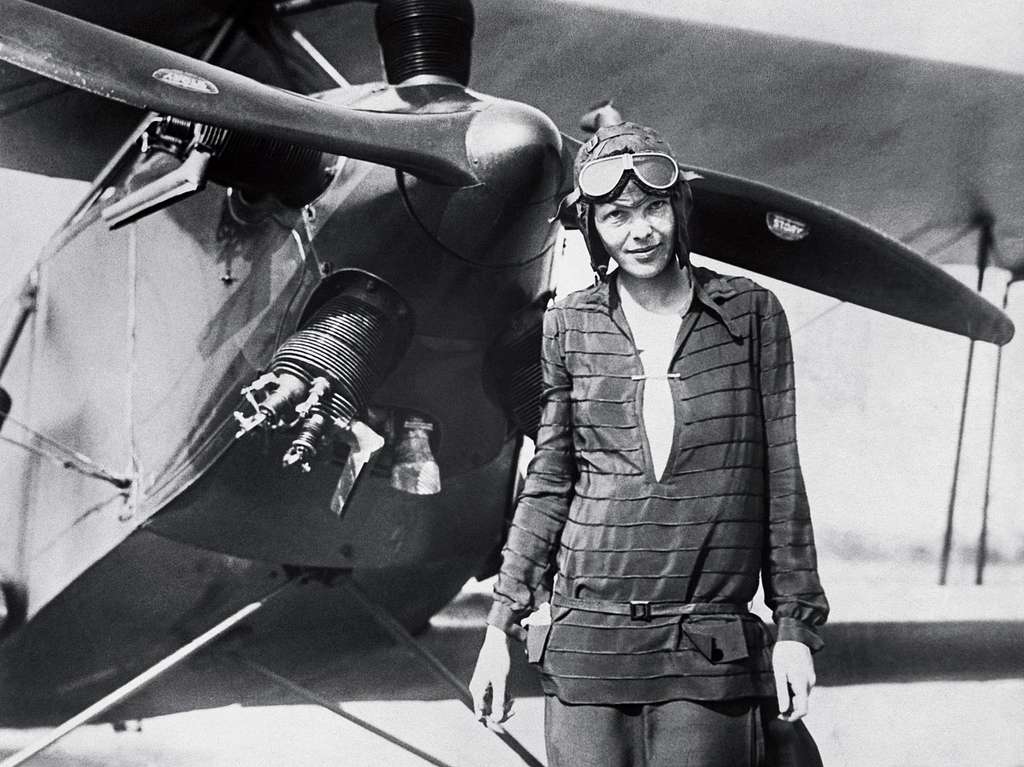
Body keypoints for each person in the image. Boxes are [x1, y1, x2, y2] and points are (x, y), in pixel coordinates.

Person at [469, 123, 829, 766]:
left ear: (679, 209)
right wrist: (499, 626)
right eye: (616, 215)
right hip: (587, 646)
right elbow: (549, 481)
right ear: (593, 229)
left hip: (707, 644)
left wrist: (795, 628)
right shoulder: (568, 325)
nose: (640, 231)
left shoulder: (751, 316)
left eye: (654, 208)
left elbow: (781, 476)